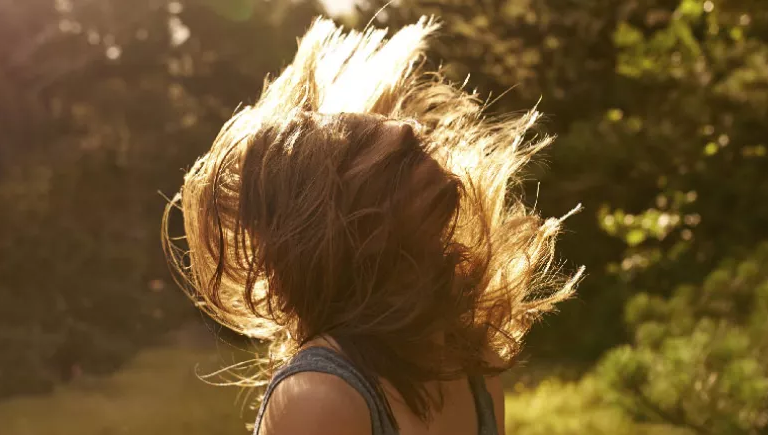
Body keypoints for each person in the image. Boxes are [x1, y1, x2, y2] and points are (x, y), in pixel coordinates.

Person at [164, 16, 582, 435]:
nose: (422, 143)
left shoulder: (474, 369)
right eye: (400, 159)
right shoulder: (319, 398)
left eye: (418, 146)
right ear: (348, 223)